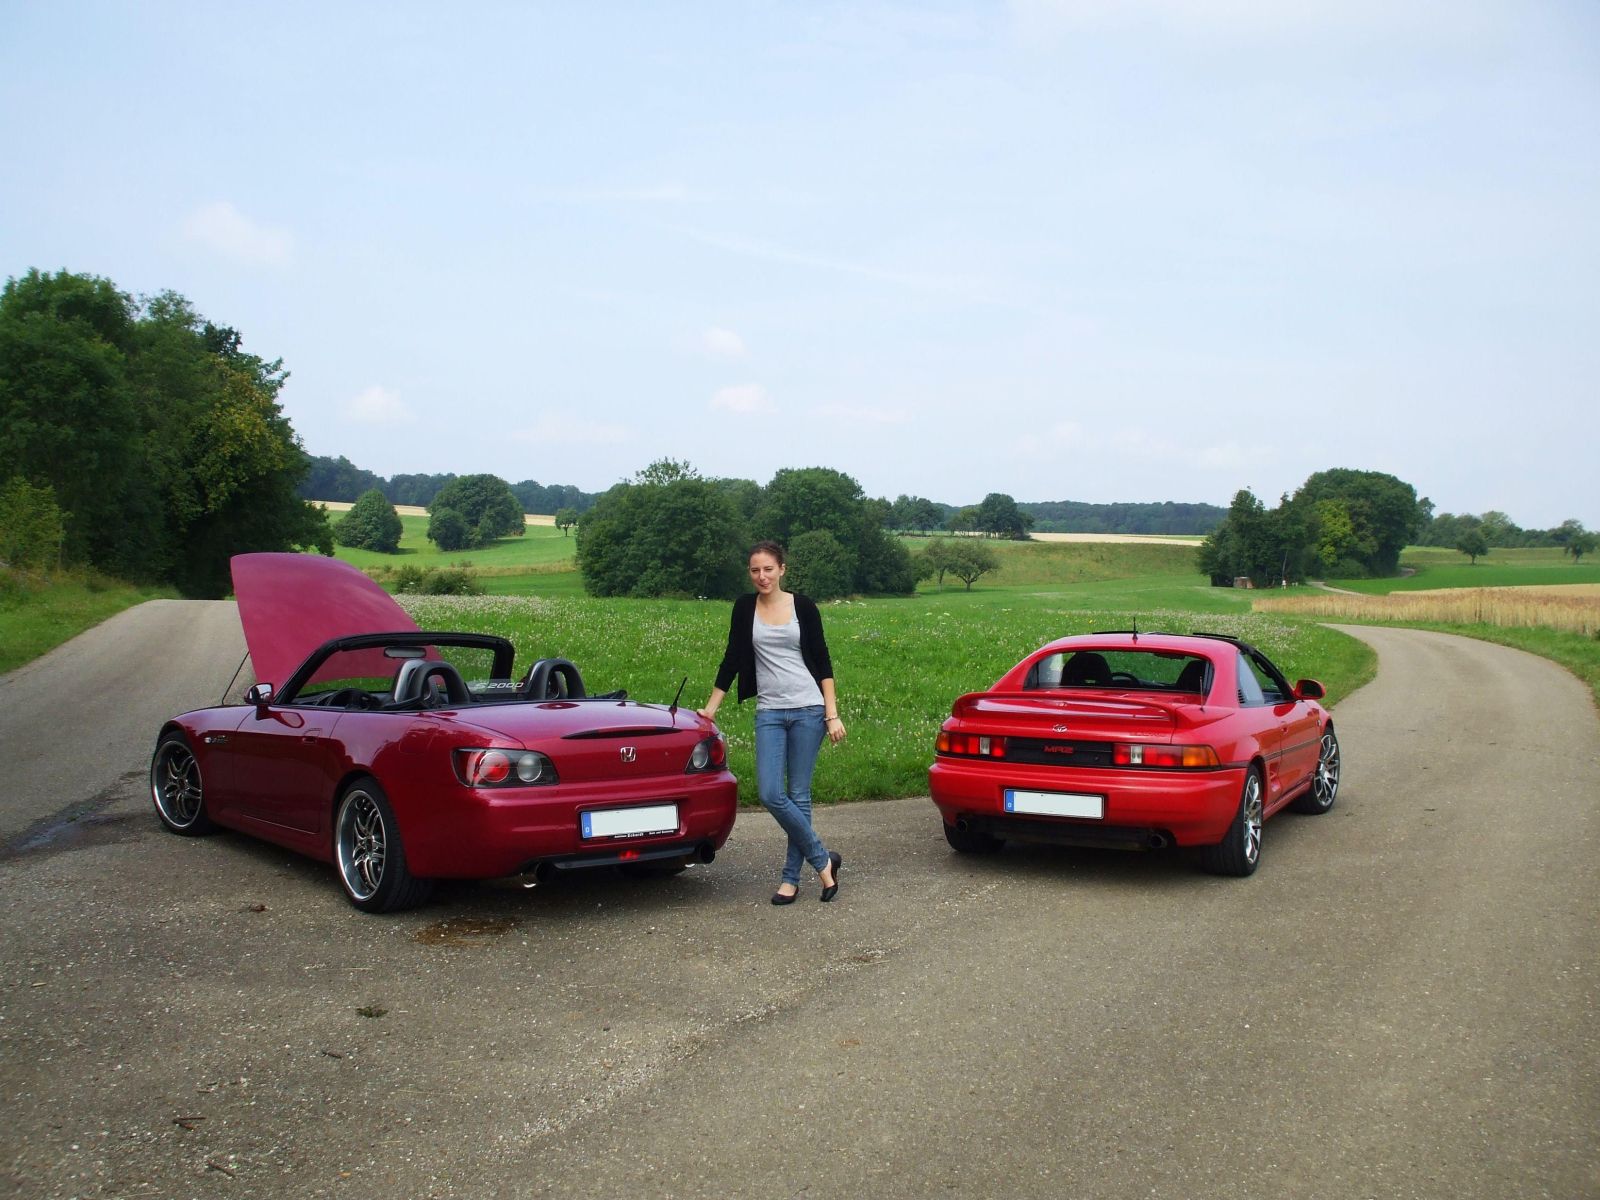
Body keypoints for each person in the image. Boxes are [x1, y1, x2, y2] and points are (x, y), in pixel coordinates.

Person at [699, 540, 847, 904]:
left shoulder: (803, 607)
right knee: (769, 793)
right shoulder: (744, 608)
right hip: (770, 712)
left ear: (782, 569)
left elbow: (823, 661)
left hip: (809, 709)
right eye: (755, 570)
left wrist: (831, 714)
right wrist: (710, 709)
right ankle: (823, 859)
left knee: (798, 795)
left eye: (768, 569)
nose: (762, 576)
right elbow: (732, 658)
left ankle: (790, 879)